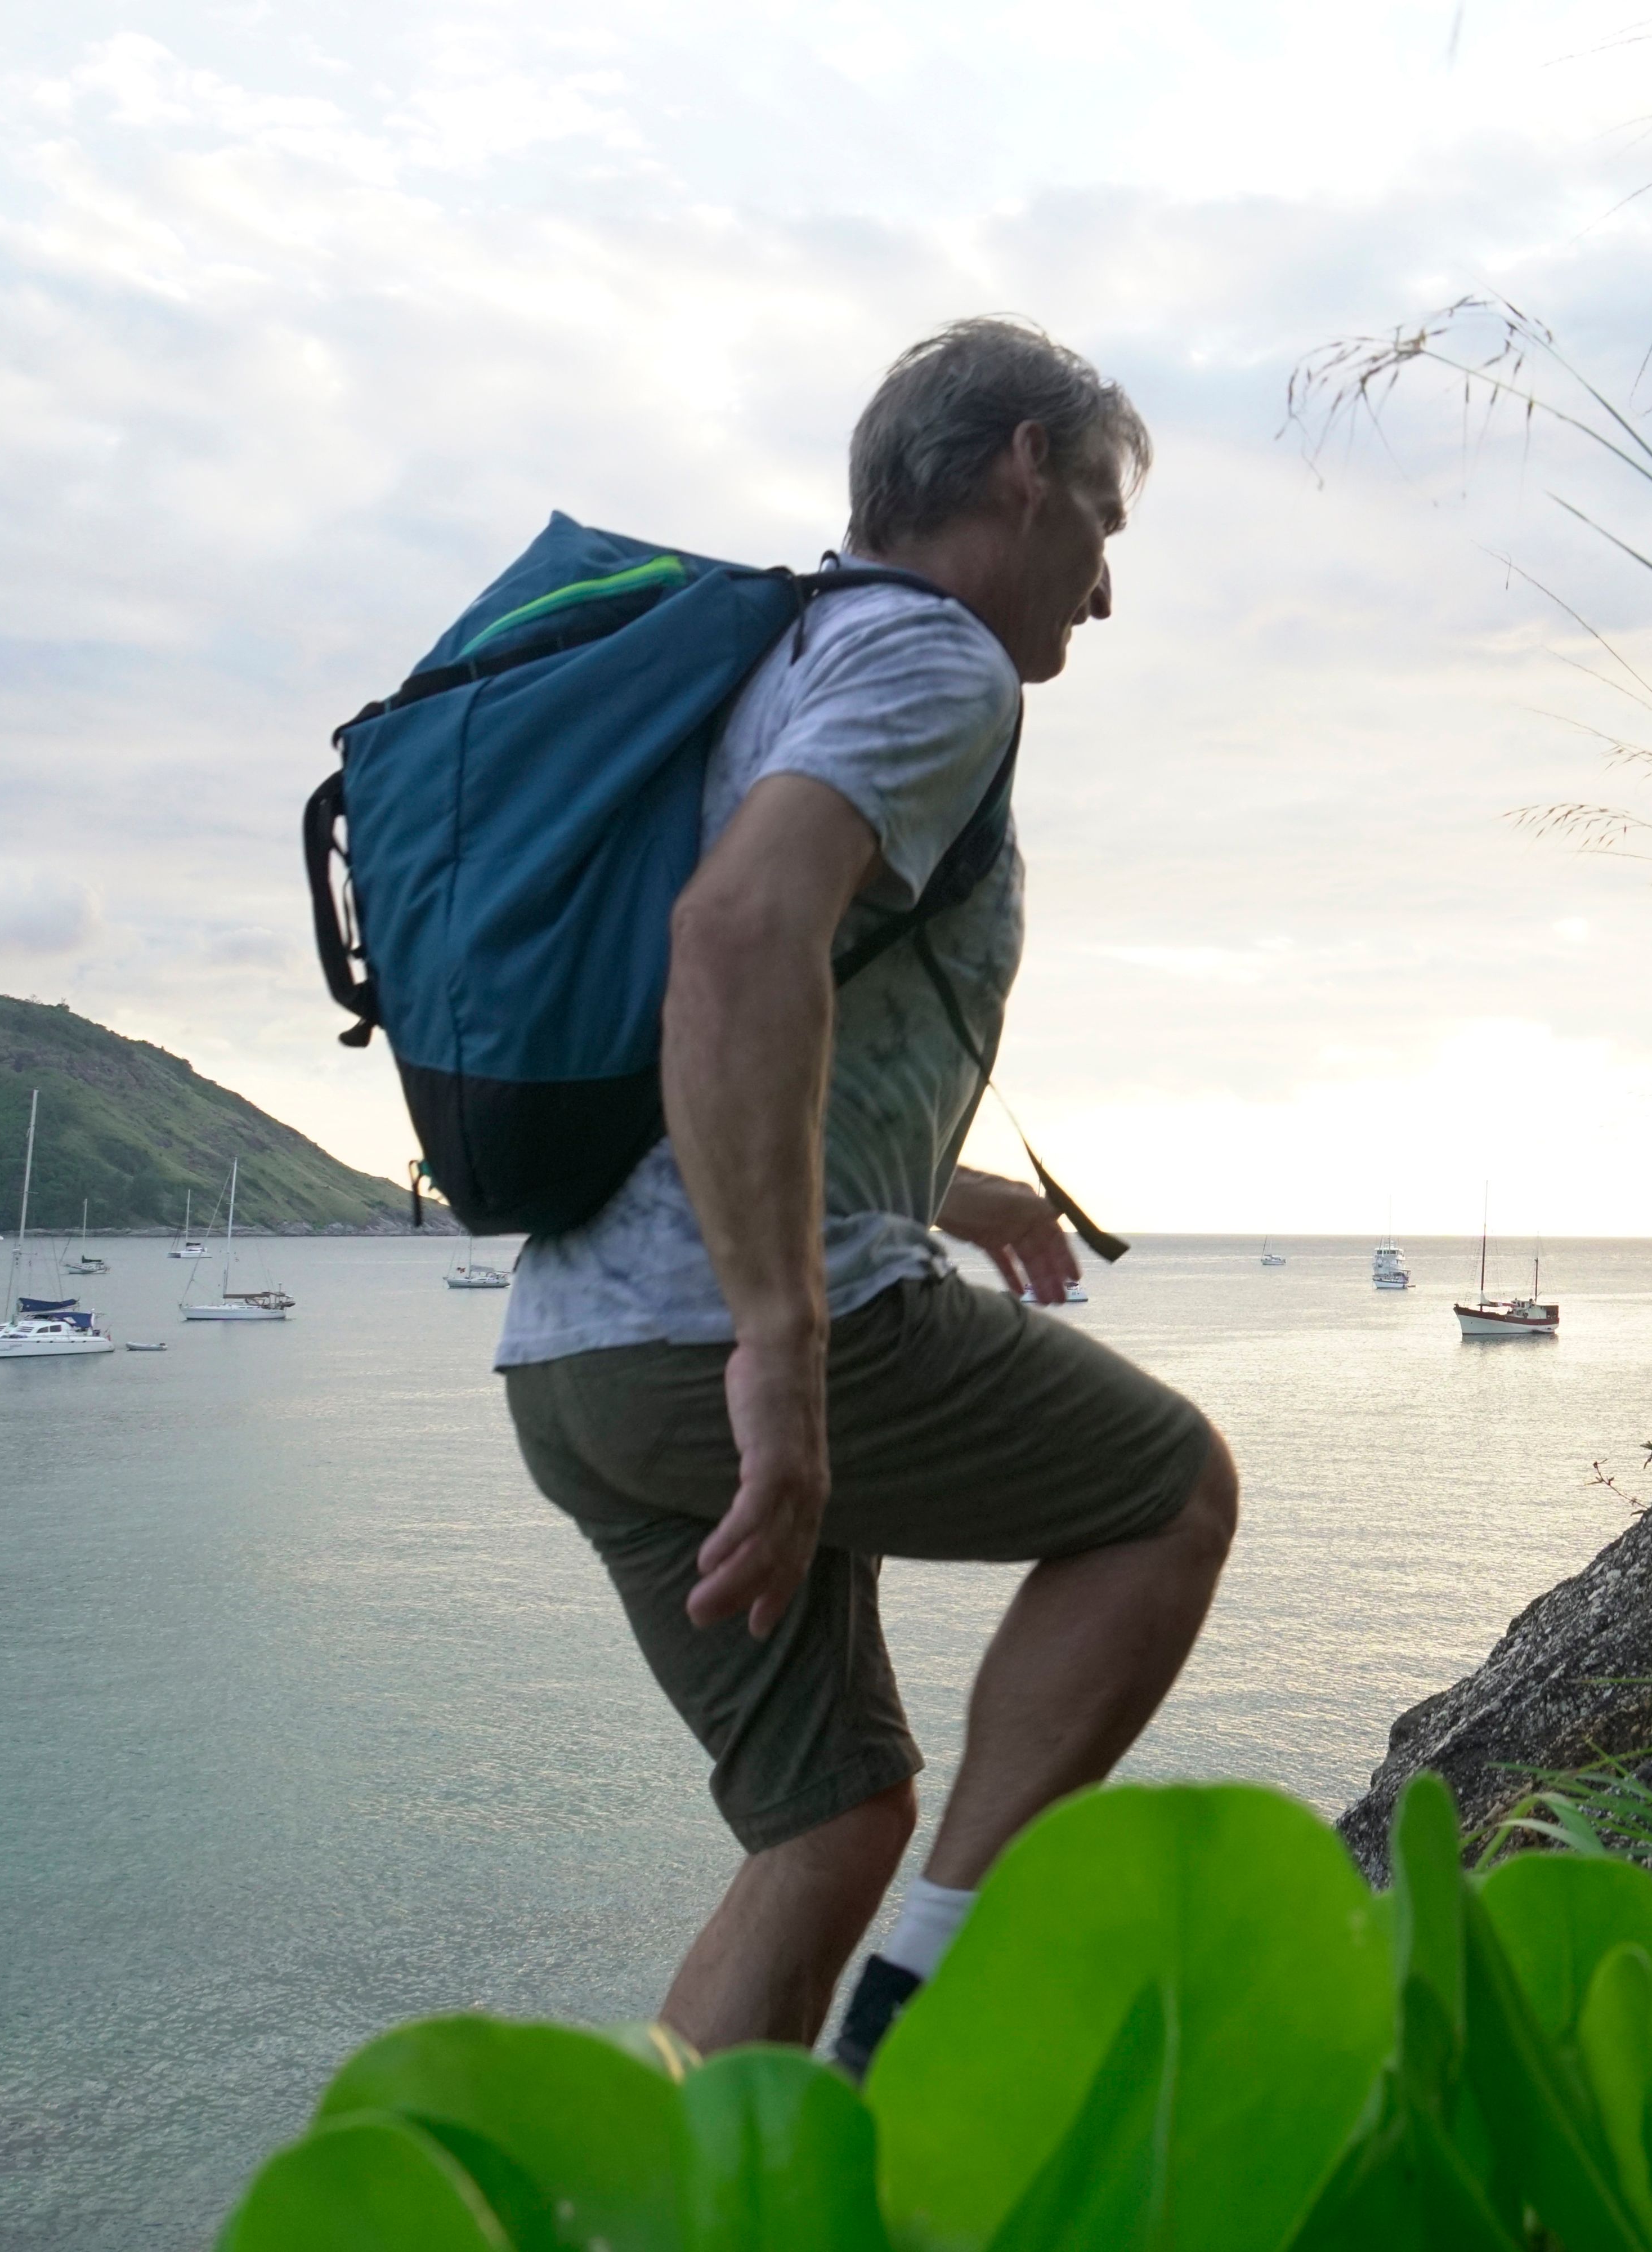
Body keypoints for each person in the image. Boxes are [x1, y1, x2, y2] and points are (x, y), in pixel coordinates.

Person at [494, 318, 1238, 2072]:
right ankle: (931, 2006)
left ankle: (679, 2202)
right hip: (713, 1336)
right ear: (1023, 466)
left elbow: (761, 999)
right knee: (1167, 1491)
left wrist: (947, 1187)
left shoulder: (782, 663)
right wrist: (780, 1340)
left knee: (825, 1824)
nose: (1103, 597)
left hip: (577, 1356)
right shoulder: (933, 662)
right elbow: (740, 933)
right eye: (1105, 534)